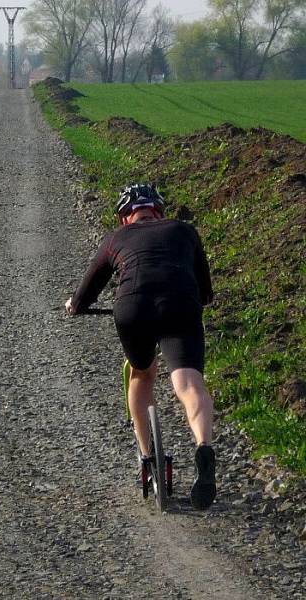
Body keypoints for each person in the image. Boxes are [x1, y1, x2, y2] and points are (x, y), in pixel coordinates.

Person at [65, 183, 217, 510]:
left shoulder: (116, 239)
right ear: (160, 212)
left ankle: (148, 457)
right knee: (189, 383)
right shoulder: (184, 230)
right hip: (181, 304)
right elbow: (205, 291)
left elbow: (88, 288)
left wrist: (75, 305)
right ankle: (204, 447)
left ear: (124, 218)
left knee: (141, 374)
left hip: (133, 307)